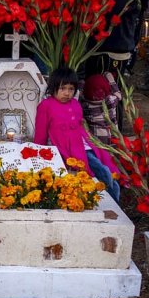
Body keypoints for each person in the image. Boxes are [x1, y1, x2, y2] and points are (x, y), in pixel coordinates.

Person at [34, 67, 121, 202]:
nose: (67, 93)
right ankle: (113, 203)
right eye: (62, 88)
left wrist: (93, 142)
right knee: (101, 170)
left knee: (108, 169)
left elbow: (81, 127)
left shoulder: (75, 104)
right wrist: (39, 154)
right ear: (53, 87)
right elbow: (41, 133)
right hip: (70, 149)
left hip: (85, 144)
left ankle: (114, 203)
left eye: (70, 89)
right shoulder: (46, 106)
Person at [81, 72, 122, 145]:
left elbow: (78, 95)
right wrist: (108, 75)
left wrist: (81, 83)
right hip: (114, 138)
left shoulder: (85, 106)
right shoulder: (111, 101)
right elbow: (117, 92)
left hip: (98, 142)